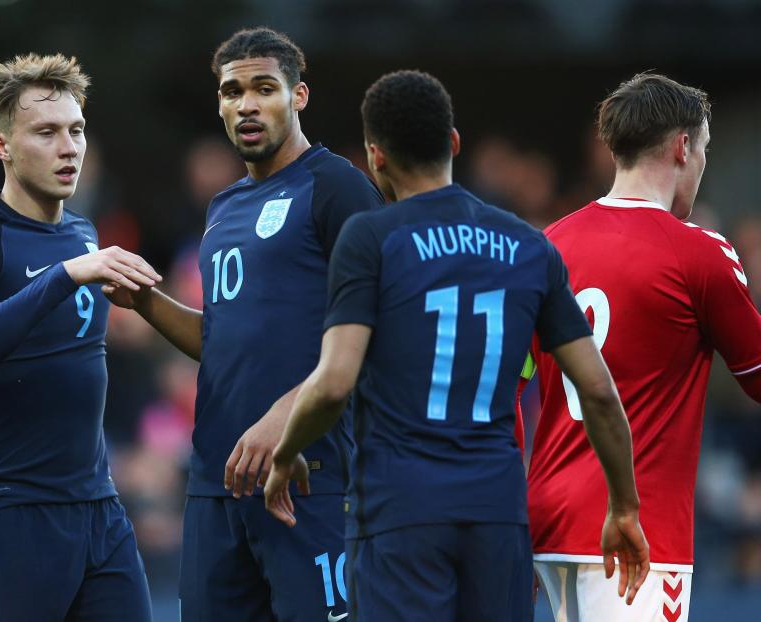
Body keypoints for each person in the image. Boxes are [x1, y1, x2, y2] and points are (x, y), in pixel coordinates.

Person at [263, 69, 650, 622]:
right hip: (497, 513)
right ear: (453, 144)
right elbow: (597, 390)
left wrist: (285, 453)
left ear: (375, 157)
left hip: (400, 512)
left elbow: (333, 383)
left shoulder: (371, 238)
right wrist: (625, 505)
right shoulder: (527, 245)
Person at [102, 28, 383, 621]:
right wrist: (146, 301)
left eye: (264, 88)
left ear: (298, 96)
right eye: (232, 92)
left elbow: (376, 325)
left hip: (310, 476)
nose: (246, 104)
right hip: (216, 484)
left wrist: (286, 417)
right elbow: (220, 341)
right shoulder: (223, 207)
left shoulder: (336, 187)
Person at [0, 53, 160, 621]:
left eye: (76, 130)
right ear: (2, 146)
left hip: (97, 509)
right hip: (8, 515)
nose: (68, 147)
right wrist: (66, 275)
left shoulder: (84, 233)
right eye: (46, 132)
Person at [527, 73, 761, 622]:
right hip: (638, 539)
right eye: (703, 149)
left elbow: (513, 386)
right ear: (684, 146)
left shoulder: (548, 244)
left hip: (548, 526)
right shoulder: (699, 251)